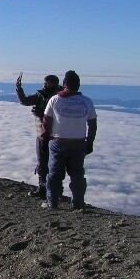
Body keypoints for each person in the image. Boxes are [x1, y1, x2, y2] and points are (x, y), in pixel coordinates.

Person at [40, 70, 97, 210]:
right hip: (79, 143)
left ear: (64, 84)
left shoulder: (55, 100)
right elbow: (93, 125)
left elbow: (46, 122)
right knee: (77, 175)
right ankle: (78, 204)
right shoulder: (86, 101)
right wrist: (89, 143)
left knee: (54, 174)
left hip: (58, 142)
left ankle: (52, 203)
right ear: (78, 85)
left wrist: (43, 141)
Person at [16, 73, 61, 197]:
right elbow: (25, 101)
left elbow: (59, 117)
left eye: (46, 83)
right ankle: (44, 187)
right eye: (44, 82)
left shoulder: (59, 97)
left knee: (53, 162)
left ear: (53, 83)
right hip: (42, 133)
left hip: (54, 134)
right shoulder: (41, 95)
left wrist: (42, 113)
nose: (44, 85)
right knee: (43, 162)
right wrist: (19, 89)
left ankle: (53, 189)